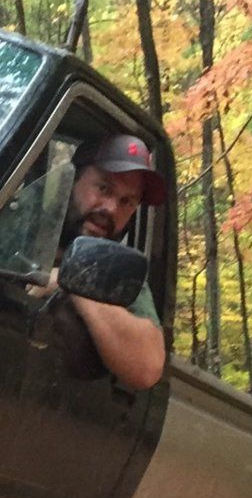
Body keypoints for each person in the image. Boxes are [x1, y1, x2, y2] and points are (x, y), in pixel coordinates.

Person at [51, 134, 169, 391]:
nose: (112, 209)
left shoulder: (116, 275)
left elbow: (147, 366)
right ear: (72, 179)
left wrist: (69, 284)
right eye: (104, 188)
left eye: (127, 201)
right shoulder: (19, 224)